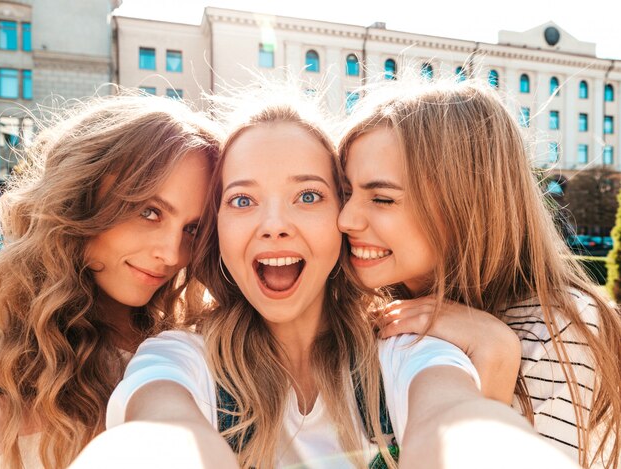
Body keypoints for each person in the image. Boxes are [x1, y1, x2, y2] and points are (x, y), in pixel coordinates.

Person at [97, 90, 576, 469]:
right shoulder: (179, 358)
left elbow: (456, 422)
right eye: (242, 200)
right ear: (215, 228)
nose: (274, 224)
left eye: (308, 196)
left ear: (340, 218)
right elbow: (158, 436)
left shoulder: (406, 345)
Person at [337, 78, 621, 469]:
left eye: (383, 198)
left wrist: (492, 359)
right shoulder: (378, 309)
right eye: (345, 192)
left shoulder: (557, 327)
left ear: (467, 206)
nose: (346, 218)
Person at [0, 94, 220, 469]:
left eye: (192, 229)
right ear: (81, 196)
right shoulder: (8, 346)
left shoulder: (186, 343)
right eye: (149, 212)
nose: (171, 253)